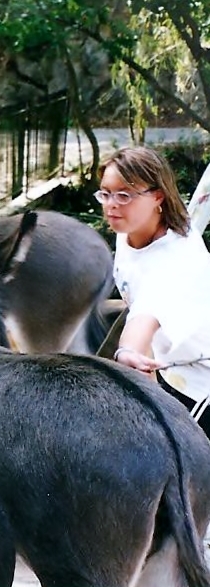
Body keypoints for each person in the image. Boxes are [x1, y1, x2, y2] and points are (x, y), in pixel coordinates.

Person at [99, 146, 210, 435]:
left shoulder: (179, 259)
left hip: (201, 384)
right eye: (105, 193)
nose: (112, 204)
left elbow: (145, 315)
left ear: (157, 196)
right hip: (169, 370)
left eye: (124, 194)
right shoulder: (131, 232)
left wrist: (128, 350)